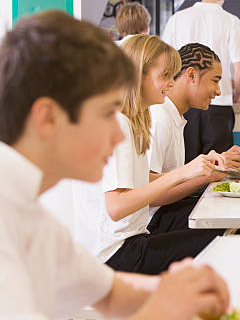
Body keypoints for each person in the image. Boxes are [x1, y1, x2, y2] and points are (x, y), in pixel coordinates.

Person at [0, 10, 228, 320]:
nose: (120, 135)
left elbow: (107, 291)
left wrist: (178, 290)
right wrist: (163, 315)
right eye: (107, 113)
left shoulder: (32, 209)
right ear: (48, 118)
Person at [74, 35, 221, 275]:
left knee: (217, 233)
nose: (171, 84)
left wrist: (195, 171)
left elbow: (139, 181)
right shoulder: (118, 123)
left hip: (123, 246)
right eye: (165, 76)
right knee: (219, 237)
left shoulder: (133, 120)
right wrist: (182, 173)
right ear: (137, 75)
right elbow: (117, 207)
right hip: (114, 255)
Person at [148, 43, 240, 235]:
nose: (219, 91)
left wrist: (217, 162)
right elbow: (150, 195)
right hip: (153, 221)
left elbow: (172, 177)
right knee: (232, 216)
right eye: (215, 81)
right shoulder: (160, 117)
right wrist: (206, 175)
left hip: (166, 211)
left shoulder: (174, 116)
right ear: (192, 75)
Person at [162, 0, 240, 158]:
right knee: (219, 169)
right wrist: (233, 96)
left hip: (184, 104)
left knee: (185, 166)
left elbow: (165, 63)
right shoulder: (232, 22)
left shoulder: (178, 18)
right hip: (219, 104)